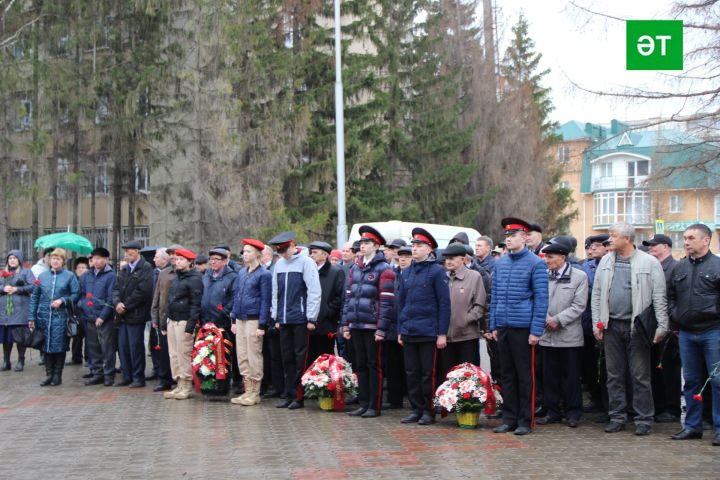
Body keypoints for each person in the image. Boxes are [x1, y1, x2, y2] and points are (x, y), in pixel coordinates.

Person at [592, 222, 668, 436]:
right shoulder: (606, 261)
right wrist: (597, 323)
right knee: (613, 375)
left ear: (627, 239)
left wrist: (662, 325)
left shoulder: (649, 262)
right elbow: (597, 294)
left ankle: (643, 419)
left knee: (640, 375)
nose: (609, 240)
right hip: (611, 326)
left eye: (613, 236)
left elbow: (659, 296)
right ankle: (617, 416)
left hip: (638, 327)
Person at [490, 217, 548, 436]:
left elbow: (541, 299)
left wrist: (535, 331)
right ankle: (509, 418)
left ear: (524, 238)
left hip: (523, 327)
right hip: (504, 325)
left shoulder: (536, 263)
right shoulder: (501, 263)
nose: (509, 240)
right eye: (507, 236)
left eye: (513, 236)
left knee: (525, 375)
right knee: (507, 375)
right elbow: (494, 295)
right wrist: (494, 323)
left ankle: (525, 420)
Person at [668, 224, 720, 446]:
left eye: (691, 238)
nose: (686, 242)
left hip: (713, 332)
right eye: (684, 238)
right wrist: (675, 316)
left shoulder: (718, 266)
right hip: (686, 333)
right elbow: (670, 296)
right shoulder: (679, 268)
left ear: (706, 240)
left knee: (717, 381)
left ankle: (719, 429)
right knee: (691, 382)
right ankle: (692, 427)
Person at [397, 227, 450, 426]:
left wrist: (442, 333)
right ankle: (416, 409)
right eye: (414, 245)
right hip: (410, 330)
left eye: (419, 245)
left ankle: (428, 410)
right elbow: (401, 302)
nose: (415, 249)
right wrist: (400, 329)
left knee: (428, 373)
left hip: (429, 332)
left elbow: (444, 304)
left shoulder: (436, 271)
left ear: (429, 249)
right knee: (411, 372)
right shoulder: (407, 271)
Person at [341, 226, 395, 418]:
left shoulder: (384, 269)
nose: (362, 247)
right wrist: (346, 323)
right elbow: (349, 297)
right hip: (356, 324)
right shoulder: (355, 268)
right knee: (360, 365)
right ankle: (363, 403)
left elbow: (387, 301)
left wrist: (381, 328)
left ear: (376, 246)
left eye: (367, 243)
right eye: (361, 243)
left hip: (372, 326)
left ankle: (374, 404)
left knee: (374, 365)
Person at [536, 242, 588, 428]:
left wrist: (557, 319)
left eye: (550, 257)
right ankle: (552, 412)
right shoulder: (543, 275)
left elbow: (579, 305)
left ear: (562, 258)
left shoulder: (579, 276)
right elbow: (537, 300)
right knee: (549, 377)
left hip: (569, 337)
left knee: (571, 377)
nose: (546, 260)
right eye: (545, 257)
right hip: (547, 336)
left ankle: (573, 413)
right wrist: (546, 318)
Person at [268, 231, 321, 410]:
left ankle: (299, 396)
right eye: (279, 251)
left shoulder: (306, 263)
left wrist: (311, 317)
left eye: (284, 250)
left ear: (292, 246)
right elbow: (275, 292)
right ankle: (289, 394)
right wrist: (275, 316)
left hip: (300, 318)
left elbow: (314, 291)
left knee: (300, 359)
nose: (282, 254)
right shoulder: (279, 265)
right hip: (284, 319)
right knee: (286, 358)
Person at [642, 234, 681, 424]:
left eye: (654, 245)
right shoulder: (651, 266)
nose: (650, 248)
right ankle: (657, 406)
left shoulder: (674, 268)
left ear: (666, 247)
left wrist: (672, 324)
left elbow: (675, 297)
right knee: (653, 370)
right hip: (650, 324)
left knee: (669, 370)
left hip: (668, 327)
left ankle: (671, 408)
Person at [28, 248, 80, 386]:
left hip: (61, 317)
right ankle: (48, 374)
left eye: (58, 259)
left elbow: (76, 294)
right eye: (53, 258)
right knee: (45, 346)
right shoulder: (43, 276)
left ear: (63, 261)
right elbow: (35, 297)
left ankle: (57, 375)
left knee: (59, 346)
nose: (55, 261)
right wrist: (31, 317)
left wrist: (62, 300)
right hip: (44, 318)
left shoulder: (69, 276)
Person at [229, 239, 271, 406]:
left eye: (248, 251)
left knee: (254, 355)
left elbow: (265, 301)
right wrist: (233, 318)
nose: (245, 254)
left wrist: (262, 325)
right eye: (244, 251)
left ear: (258, 254)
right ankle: (247, 390)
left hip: (253, 319)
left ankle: (255, 392)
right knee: (242, 355)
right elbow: (236, 295)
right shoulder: (241, 272)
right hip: (240, 318)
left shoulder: (264, 274)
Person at [112, 240, 154, 388]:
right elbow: (116, 288)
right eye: (126, 251)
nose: (127, 254)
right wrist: (117, 303)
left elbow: (143, 291)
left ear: (137, 251)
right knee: (123, 347)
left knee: (135, 347)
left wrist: (126, 305)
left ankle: (138, 377)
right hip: (122, 315)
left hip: (136, 314)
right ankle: (126, 375)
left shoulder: (146, 268)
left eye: (130, 251)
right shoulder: (124, 270)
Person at [164, 248, 203, 400]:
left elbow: (195, 304)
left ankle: (186, 384)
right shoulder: (177, 278)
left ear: (189, 262)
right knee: (174, 354)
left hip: (184, 320)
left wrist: (190, 326)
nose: (177, 262)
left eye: (181, 259)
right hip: (172, 319)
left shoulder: (194, 279)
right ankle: (179, 383)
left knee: (183, 353)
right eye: (176, 259)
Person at [441, 243, 485, 377]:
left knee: (469, 377)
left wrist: (464, 320)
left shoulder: (474, 276)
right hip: (445, 338)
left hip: (467, 337)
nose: (448, 261)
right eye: (447, 258)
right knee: (448, 377)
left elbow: (480, 305)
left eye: (452, 258)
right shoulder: (442, 277)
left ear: (463, 259)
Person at [200, 247, 239, 395]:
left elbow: (234, 298)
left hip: (222, 323)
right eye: (211, 259)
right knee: (206, 353)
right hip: (206, 322)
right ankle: (209, 384)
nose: (213, 262)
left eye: (217, 259)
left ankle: (223, 386)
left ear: (224, 261)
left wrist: (223, 311)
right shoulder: (206, 276)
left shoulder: (232, 277)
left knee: (223, 355)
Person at [79, 247, 117, 386]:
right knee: (92, 347)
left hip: (104, 319)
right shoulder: (86, 276)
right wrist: (84, 307)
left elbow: (110, 299)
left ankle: (108, 375)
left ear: (106, 260)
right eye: (94, 258)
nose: (96, 261)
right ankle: (97, 373)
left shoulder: (111, 276)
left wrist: (102, 316)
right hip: (89, 317)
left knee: (107, 348)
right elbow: (82, 295)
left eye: (99, 258)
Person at [580, 234, 609, 414]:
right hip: (587, 321)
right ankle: (596, 398)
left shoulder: (609, 265)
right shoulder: (586, 267)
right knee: (590, 365)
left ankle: (607, 403)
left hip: (605, 322)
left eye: (597, 246)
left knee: (606, 367)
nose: (592, 249)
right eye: (590, 246)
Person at [308, 241, 344, 362]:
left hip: (326, 324)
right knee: (310, 357)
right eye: (310, 252)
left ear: (324, 255)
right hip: (308, 322)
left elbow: (339, 297)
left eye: (314, 252)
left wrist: (327, 311)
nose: (311, 255)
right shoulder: (308, 271)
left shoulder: (335, 272)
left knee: (325, 358)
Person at [0, 250, 35, 372]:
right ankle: (6, 361)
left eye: (15, 258)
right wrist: (3, 288)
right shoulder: (3, 273)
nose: (12, 260)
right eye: (10, 258)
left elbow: (33, 286)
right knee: (6, 338)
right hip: (5, 312)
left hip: (20, 310)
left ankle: (21, 360)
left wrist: (17, 289)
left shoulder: (26, 272)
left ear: (19, 260)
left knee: (20, 337)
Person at [68, 256, 90, 366]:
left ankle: (88, 358)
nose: (81, 269)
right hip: (75, 312)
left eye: (83, 267)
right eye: (78, 267)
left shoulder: (89, 280)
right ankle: (76, 357)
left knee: (88, 336)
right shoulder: (72, 280)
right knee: (76, 336)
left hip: (86, 311)